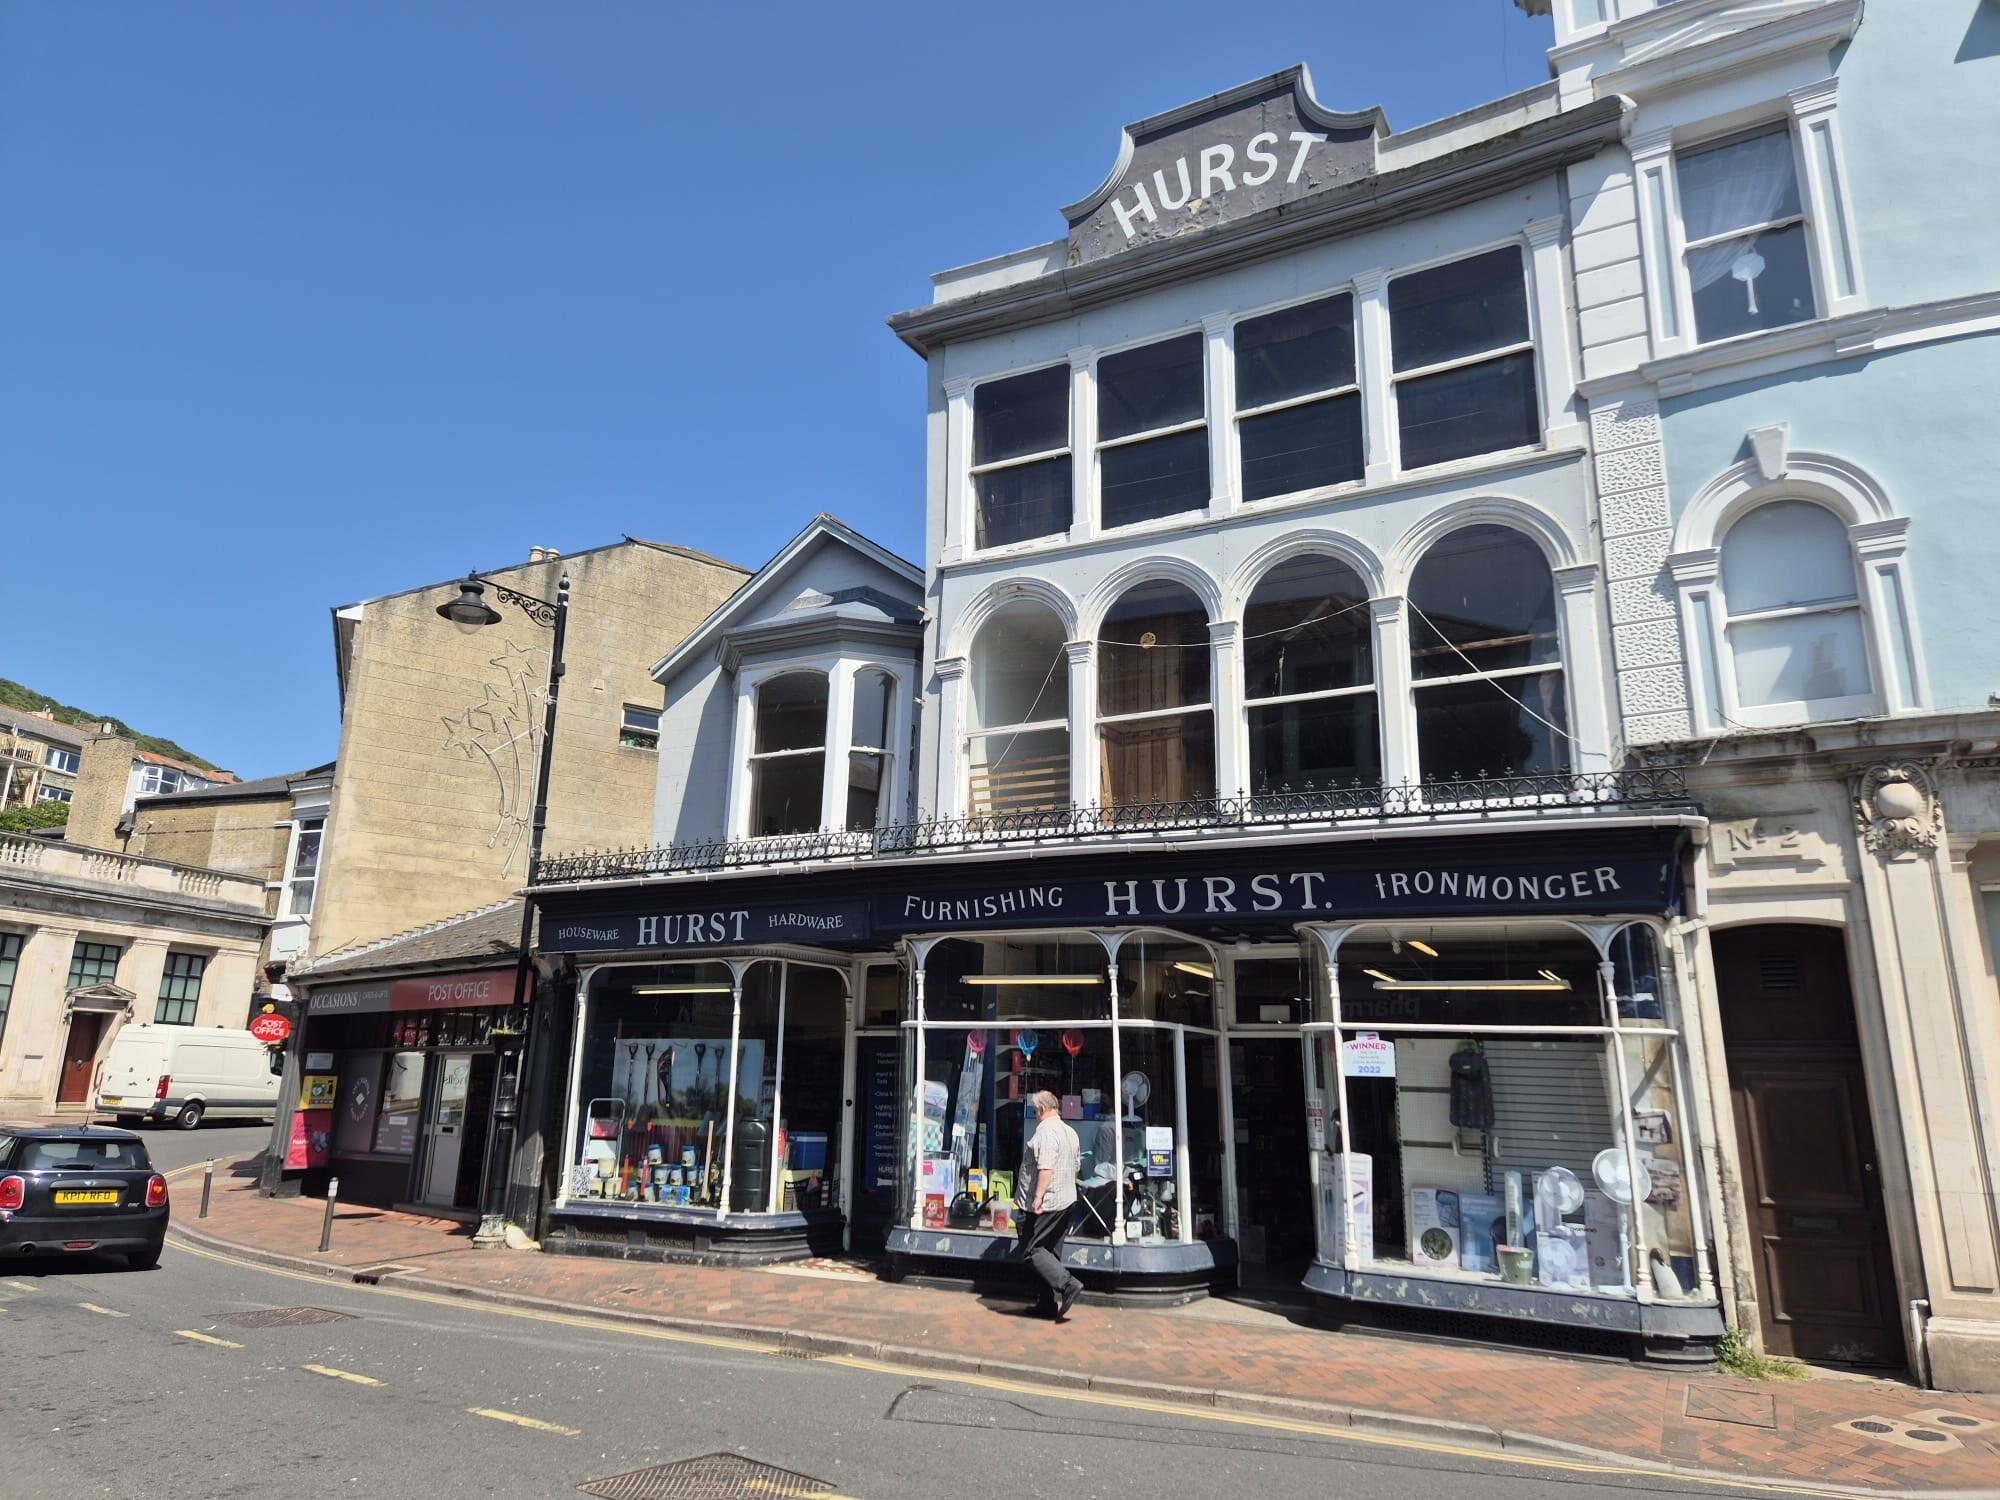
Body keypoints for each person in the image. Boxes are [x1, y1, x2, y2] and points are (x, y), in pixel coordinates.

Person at [1015, 1089, 1084, 1320]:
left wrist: (1037, 1198)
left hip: (1047, 1202)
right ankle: (1046, 1304)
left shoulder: (1045, 1132)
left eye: (1035, 1111)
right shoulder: (1070, 1132)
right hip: (1066, 1200)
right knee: (1050, 1253)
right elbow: (1076, 1166)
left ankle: (1068, 1285)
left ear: (1042, 1109)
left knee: (1032, 1250)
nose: (1035, 1115)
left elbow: (1046, 1167)